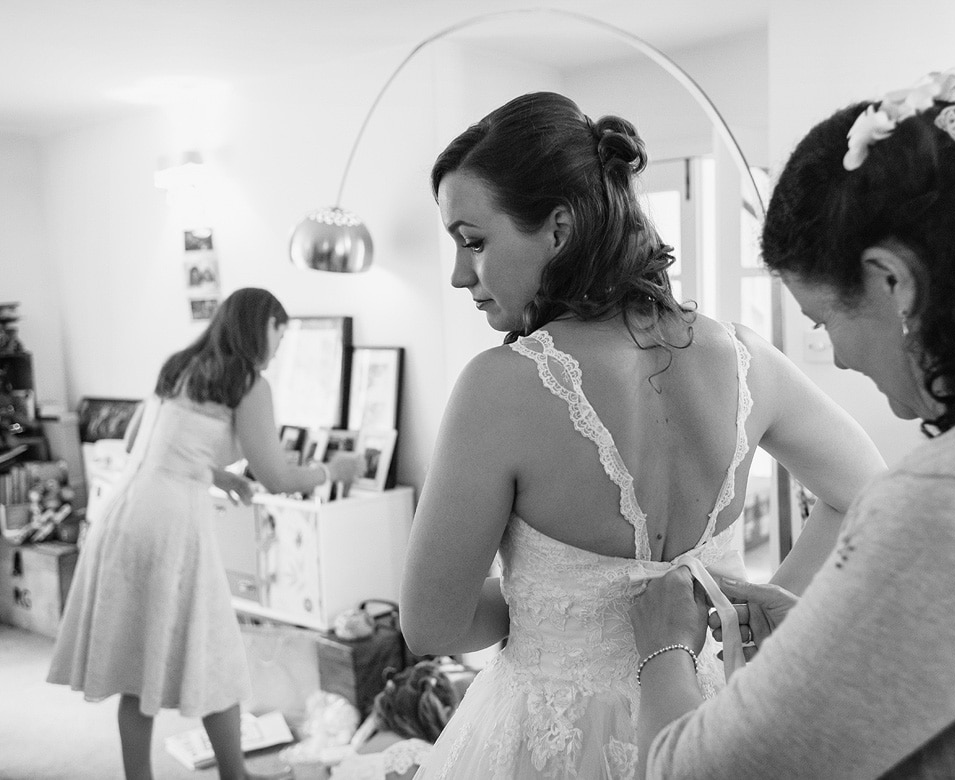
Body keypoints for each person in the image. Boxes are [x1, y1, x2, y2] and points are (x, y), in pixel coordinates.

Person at [630, 69, 955, 778]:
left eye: (824, 321)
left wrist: (662, 650)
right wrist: (843, 644)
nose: (841, 359)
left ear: (892, 280)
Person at [400, 91, 886, 779]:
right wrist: (762, 609)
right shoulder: (747, 359)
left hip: (546, 741)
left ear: (560, 229)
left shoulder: (499, 387)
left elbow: (432, 627)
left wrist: (550, 606)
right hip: (708, 715)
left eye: (473, 241)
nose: (458, 275)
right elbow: (864, 490)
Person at [48, 287, 362, 780]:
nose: (280, 347)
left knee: (138, 662)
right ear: (262, 327)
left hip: (123, 512)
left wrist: (218, 474)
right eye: (280, 332)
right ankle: (235, 774)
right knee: (219, 655)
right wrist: (333, 471)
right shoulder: (249, 384)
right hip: (170, 527)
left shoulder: (179, 365)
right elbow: (278, 477)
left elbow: (141, 443)